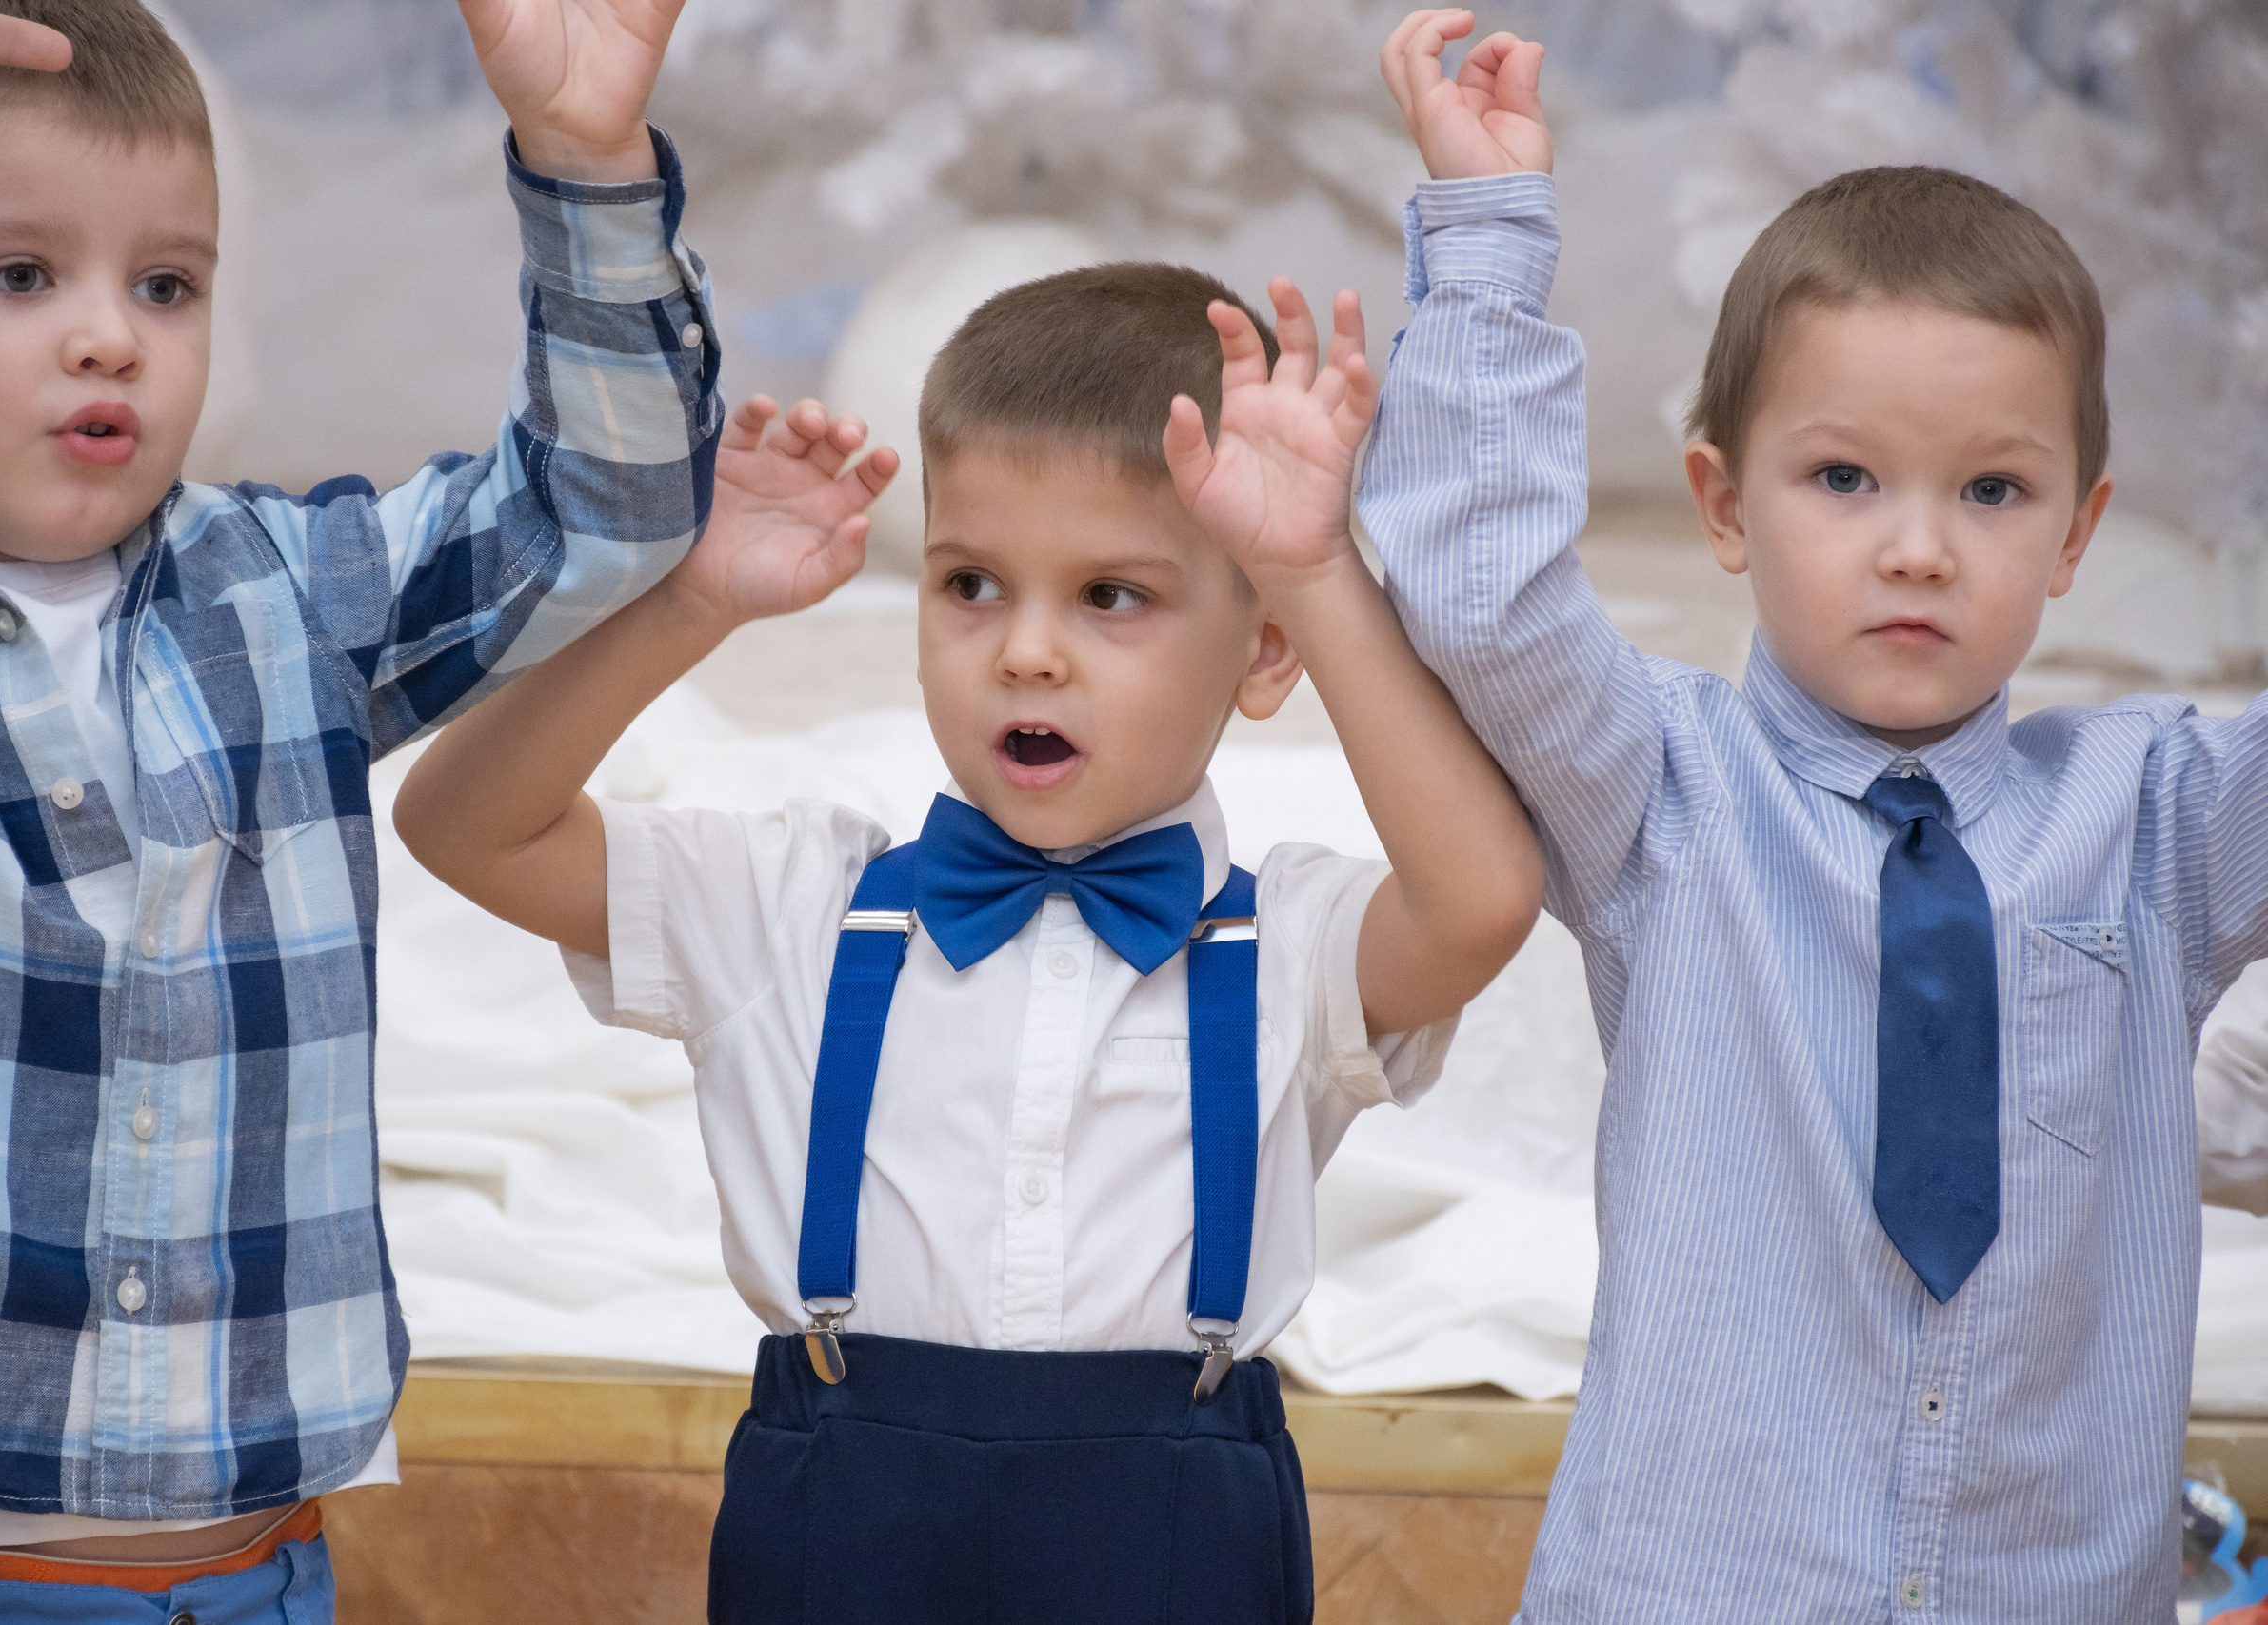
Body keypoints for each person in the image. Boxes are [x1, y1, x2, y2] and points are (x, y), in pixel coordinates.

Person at [394, 256, 1545, 1621]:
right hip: (842, 1530)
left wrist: (1315, 570)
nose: (1027, 654)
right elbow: (462, 822)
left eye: (1111, 596)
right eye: (974, 585)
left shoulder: (1291, 948)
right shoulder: (788, 910)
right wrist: (685, 602)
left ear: (1265, 653)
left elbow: (1481, 899)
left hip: (1173, 1545)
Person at [1363, 6, 2267, 1617]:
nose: (1918, 548)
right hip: (1700, 1585)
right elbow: (1484, 599)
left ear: (2077, 531)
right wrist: (1491, 231)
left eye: (1993, 491)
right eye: (1844, 479)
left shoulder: (2160, 819)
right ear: (1723, 502)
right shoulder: (1662, 789)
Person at [0, 0, 715, 1616]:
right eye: (20, 276)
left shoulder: (280, 594)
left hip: (250, 1578)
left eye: (165, 283)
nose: (111, 336)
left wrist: (585, 166)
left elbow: (613, 510)